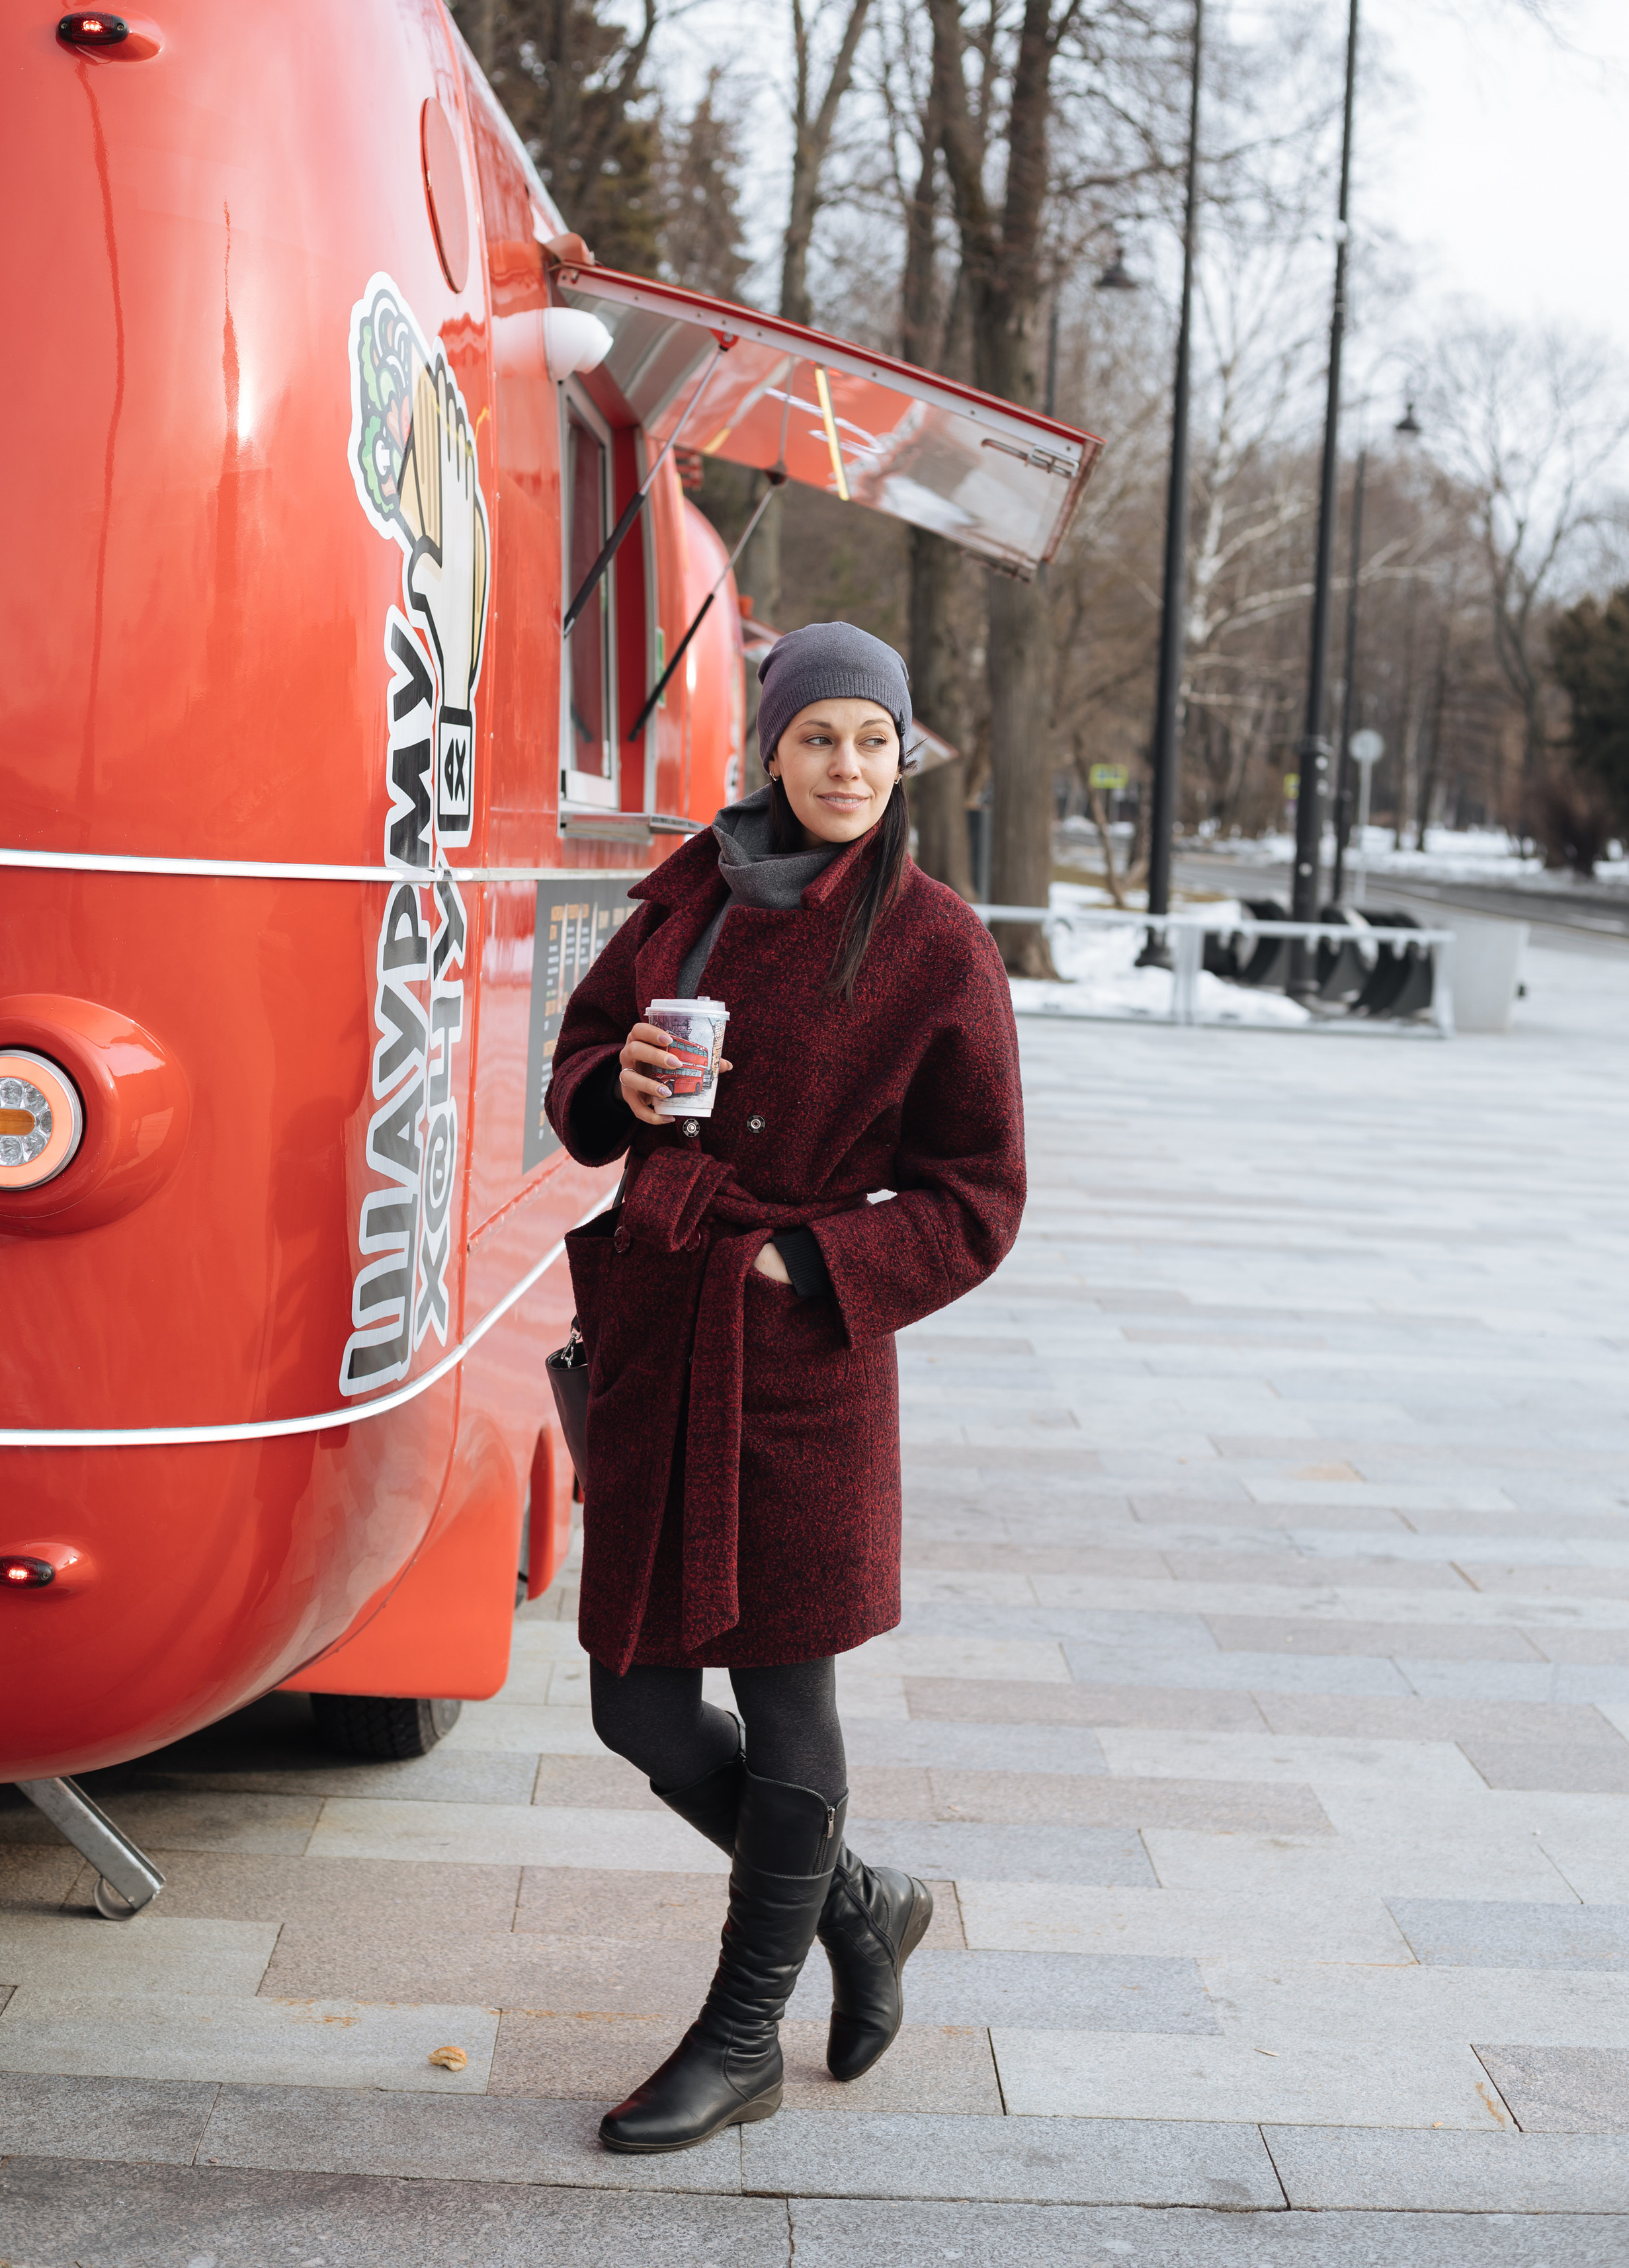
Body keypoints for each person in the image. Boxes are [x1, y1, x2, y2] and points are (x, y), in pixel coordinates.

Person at [546, 619, 1025, 2154]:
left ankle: (740, 2034)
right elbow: (580, 1063)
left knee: (783, 1687)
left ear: (903, 758)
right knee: (633, 1703)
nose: (845, 766)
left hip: (799, 1355)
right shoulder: (683, 896)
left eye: (873, 743)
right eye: (819, 737)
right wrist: (607, 1087)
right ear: (770, 747)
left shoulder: (935, 942)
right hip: (653, 1333)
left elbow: (979, 1194)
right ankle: (859, 1901)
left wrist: (811, 1266)